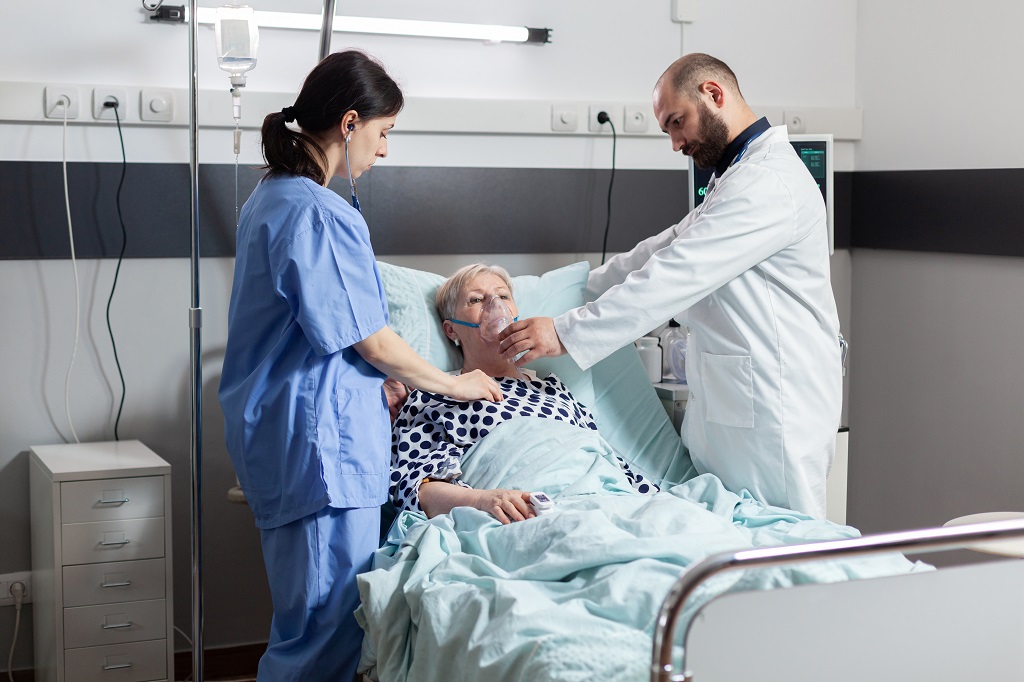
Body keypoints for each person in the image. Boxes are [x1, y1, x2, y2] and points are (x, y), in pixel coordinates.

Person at [217, 51, 502, 682]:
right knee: (322, 634)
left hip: (294, 433)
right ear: (350, 122)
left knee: (308, 624)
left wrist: (379, 379)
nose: (385, 150)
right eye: (384, 132)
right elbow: (370, 339)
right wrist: (454, 382)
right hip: (322, 449)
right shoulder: (315, 210)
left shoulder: (270, 198)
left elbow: (320, 330)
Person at [498, 53, 842, 519]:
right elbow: (659, 250)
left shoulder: (769, 183)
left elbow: (675, 273)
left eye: (677, 122)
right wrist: (564, 288)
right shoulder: (736, 177)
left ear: (713, 95)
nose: (677, 142)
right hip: (737, 405)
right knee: (729, 540)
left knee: (781, 546)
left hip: (774, 411)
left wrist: (563, 332)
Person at [390, 264, 658, 523]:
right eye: (475, 300)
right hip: (529, 513)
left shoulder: (554, 390)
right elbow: (416, 488)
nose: (495, 305)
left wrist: (650, 505)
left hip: (606, 503)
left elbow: (609, 462)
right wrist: (484, 500)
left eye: (503, 295)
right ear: (451, 330)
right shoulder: (436, 395)